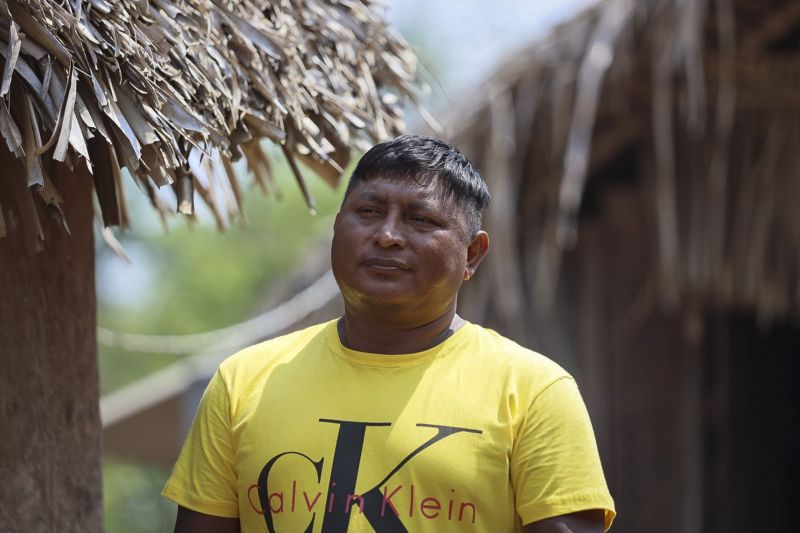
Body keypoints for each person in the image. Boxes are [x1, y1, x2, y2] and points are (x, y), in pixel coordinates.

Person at [163, 135, 616, 533]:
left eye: (420, 220)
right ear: (337, 227)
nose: (387, 236)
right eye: (368, 212)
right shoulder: (244, 382)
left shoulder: (533, 391)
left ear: (472, 255)